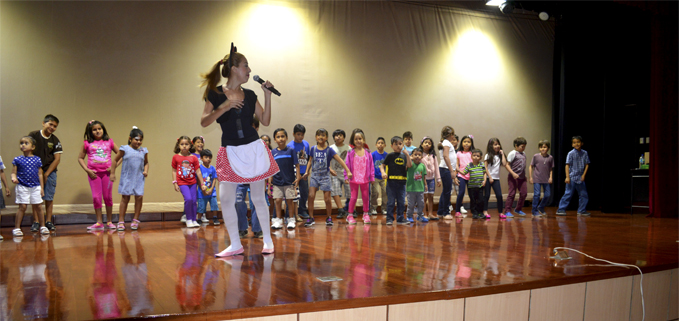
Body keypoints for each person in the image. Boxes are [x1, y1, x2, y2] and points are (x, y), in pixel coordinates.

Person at [200, 46, 279, 256]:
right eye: (245, 66)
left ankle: (268, 241)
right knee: (225, 198)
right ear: (234, 68)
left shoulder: (251, 95)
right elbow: (204, 122)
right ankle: (235, 244)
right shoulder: (215, 94)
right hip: (230, 150)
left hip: (253, 149)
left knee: (258, 197)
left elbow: (265, 120)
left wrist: (268, 96)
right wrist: (225, 106)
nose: (249, 69)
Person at [304, 128, 351, 227]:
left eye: (323, 135)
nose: (321, 137)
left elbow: (340, 160)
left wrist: (348, 170)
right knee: (311, 196)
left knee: (327, 199)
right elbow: (310, 161)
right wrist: (307, 171)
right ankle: (311, 217)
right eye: (319, 135)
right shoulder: (313, 149)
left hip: (325, 176)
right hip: (315, 176)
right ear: (316, 137)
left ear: (326, 137)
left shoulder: (329, 150)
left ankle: (329, 217)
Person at [78, 120, 119, 230]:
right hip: (94, 175)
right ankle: (99, 222)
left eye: (99, 129)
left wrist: (113, 167)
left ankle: (109, 221)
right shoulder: (87, 143)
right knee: (96, 197)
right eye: (94, 130)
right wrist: (87, 170)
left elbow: (120, 155)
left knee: (107, 197)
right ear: (90, 132)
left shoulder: (109, 142)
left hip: (107, 174)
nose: (97, 131)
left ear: (103, 130)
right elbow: (80, 158)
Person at [110, 126, 148, 230]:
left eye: (140, 140)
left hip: (139, 178)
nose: (138, 142)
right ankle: (121, 221)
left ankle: (135, 220)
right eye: (136, 139)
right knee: (125, 198)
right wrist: (112, 173)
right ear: (130, 138)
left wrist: (145, 170)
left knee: (139, 197)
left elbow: (146, 163)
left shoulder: (143, 151)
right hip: (127, 178)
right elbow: (115, 160)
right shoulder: (124, 149)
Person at [28, 114, 62, 232]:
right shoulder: (33, 136)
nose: (52, 127)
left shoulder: (55, 140)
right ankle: (36, 221)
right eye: (50, 124)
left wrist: (47, 173)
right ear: (44, 123)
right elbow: (28, 151)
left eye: (55, 126)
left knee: (49, 196)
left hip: (50, 171)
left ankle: (48, 221)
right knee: (36, 197)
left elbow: (57, 159)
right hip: (35, 171)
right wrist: (38, 171)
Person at [11, 136, 48, 236]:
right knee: (22, 206)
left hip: (35, 187)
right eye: (21, 143)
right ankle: (17, 228)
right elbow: (13, 172)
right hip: (22, 186)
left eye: (26, 143)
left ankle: (43, 226)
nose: (23, 145)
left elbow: (40, 174)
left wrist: (41, 188)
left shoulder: (37, 159)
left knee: (38, 206)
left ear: (33, 147)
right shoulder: (17, 159)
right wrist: (14, 178)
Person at [172, 136, 206, 228]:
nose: (184, 146)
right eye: (182, 144)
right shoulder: (176, 157)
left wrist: (202, 183)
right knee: (188, 199)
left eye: (186, 144)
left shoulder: (193, 158)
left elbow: (198, 171)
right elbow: (174, 170)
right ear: (178, 145)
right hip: (182, 183)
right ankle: (189, 219)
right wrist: (175, 183)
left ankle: (194, 220)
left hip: (193, 182)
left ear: (190, 145)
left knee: (194, 201)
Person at [270, 128, 300, 229]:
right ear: (275, 140)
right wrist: (270, 179)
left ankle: (291, 220)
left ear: (286, 138)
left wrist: (298, 177)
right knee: (277, 201)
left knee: (289, 201)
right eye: (278, 137)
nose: (281, 139)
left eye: (282, 136)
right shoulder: (273, 152)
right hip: (277, 182)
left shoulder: (291, 150)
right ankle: (278, 220)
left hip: (289, 181)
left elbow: (297, 165)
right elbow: (271, 167)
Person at [380, 136, 412, 225]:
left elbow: (409, 166)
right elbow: (382, 165)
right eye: (396, 144)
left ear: (403, 145)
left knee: (401, 201)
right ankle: (389, 218)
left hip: (402, 183)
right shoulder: (389, 155)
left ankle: (400, 218)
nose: (398, 146)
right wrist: (383, 173)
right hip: (391, 182)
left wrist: (407, 155)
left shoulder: (404, 156)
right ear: (391, 146)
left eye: (400, 144)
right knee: (390, 201)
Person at [556, 136, 590, 216]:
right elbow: (567, 165)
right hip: (572, 177)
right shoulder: (570, 153)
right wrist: (567, 177)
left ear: (582, 143)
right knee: (568, 193)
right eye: (574, 142)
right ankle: (561, 209)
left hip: (580, 178)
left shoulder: (585, 153)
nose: (576, 144)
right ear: (572, 144)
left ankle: (581, 210)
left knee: (583, 194)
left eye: (578, 142)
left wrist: (584, 175)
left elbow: (587, 164)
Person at [343, 129, 371, 225]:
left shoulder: (367, 152)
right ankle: (350, 215)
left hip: (365, 179)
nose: (358, 141)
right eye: (356, 139)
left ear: (363, 140)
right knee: (353, 197)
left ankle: (366, 213)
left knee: (365, 197)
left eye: (360, 138)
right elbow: (347, 164)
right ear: (353, 141)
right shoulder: (350, 152)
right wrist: (346, 176)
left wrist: (371, 177)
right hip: (354, 179)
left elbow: (371, 166)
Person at [288, 124, 311, 220]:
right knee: (294, 193)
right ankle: (293, 212)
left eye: (302, 135)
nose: (300, 137)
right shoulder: (290, 146)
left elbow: (309, 158)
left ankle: (302, 210)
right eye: (298, 134)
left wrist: (307, 171)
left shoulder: (306, 144)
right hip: (294, 173)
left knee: (304, 192)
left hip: (304, 173)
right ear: (293, 134)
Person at [459, 149, 487, 219]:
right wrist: (458, 170)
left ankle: (480, 212)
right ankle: (474, 213)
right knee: (473, 200)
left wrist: (485, 181)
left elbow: (484, 173)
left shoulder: (482, 164)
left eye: (478, 156)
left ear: (480, 157)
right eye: (474, 155)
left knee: (481, 200)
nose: (475, 157)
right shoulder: (469, 165)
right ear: (471, 157)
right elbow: (464, 173)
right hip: (471, 187)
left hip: (480, 186)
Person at [504, 137, 528, 217]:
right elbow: (507, 165)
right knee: (512, 193)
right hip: (513, 177)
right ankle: (507, 210)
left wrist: (525, 175)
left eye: (524, 146)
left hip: (522, 178)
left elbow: (523, 166)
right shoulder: (513, 153)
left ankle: (518, 209)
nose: (523, 148)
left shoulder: (524, 153)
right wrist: (513, 173)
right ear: (516, 146)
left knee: (524, 193)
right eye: (522, 146)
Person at [330, 129, 351, 219]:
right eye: (336, 135)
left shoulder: (348, 148)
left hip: (346, 173)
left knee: (350, 192)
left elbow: (352, 160)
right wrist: (330, 169)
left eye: (340, 135)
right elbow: (326, 161)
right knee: (335, 192)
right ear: (334, 137)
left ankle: (351, 210)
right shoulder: (331, 148)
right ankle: (340, 210)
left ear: (344, 137)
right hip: (335, 173)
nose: (338, 137)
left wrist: (350, 172)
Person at [483, 138, 507, 219]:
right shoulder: (488, 155)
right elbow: (485, 167)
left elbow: (504, 164)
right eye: (495, 144)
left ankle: (500, 212)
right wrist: (489, 177)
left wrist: (503, 154)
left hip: (496, 178)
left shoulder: (500, 155)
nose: (497, 146)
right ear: (491, 146)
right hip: (488, 177)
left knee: (499, 196)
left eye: (498, 144)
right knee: (487, 195)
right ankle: (485, 211)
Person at [437, 126, 457, 220]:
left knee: (445, 191)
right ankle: (445, 212)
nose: (453, 136)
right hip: (445, 169)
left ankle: (440, 211)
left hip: (445, 169)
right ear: (449, 135)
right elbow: (446, 156)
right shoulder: (446, 143)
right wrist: (451, 170)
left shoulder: (446, 142)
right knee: (447, 191)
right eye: (452, 134)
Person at [530, 140, 554, 217]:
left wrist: (551, 177)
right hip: (537, 178)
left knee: (547, 194)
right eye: (541, 147)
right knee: (537, 194)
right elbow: (531, 166)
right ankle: (534, 210)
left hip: (546, 179)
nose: (543, 149)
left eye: (544, 147)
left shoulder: (550, 157)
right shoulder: (536, 156)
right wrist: (531, 177)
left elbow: (551, 168)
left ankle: (541, 207)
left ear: (548, 148)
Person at [419, 137, 441, 220]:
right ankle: (424, 214)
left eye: (429, 143)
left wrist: (438, 179)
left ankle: (431, 213)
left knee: (431, 196)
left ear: (431, 145)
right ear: (422, 144)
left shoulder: (433, 156)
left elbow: (436, 168)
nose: (427, 144)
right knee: (424, 197)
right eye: (425, 142)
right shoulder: (420, 155)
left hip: (431, 179)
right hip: (423, 179)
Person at [197, 149, 220, 228]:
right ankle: (199, 219)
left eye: (210, 157)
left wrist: (211, 189)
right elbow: (198, 180)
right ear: (201, 158)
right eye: (206, 157)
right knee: (201, 206)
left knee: (214, 205)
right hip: (202, 192)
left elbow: (214, 179)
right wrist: (203, 190)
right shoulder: (199, 168)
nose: (208, 159)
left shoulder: (213, 168)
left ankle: (215, 218)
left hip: (212, 192)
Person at [455, 135, 475, 218]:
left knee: (472, 194)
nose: (466, 143)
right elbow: (456, 165)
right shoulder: (459, 153)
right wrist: (457, 175)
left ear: (471, 143)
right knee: (461, 193)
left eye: (468, 142)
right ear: (462, 143)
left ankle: (474, 211)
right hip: (461, 176)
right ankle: (457, 211)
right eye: (465, 141)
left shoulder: (472, 153)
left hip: (471, 176)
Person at [406, 148, 428, 223]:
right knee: (411, 204)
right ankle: (409, 216)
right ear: (412, 155)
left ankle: (420, 216)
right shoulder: (410, 164)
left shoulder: (422, 166)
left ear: (422, 157)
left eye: (419, 155)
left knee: (421, 203)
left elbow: (423, 177)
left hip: (420, 189)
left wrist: (425, 185)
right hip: (411, 189)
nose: (417, 156)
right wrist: (409, 158)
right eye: (415, 154)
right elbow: (405, 167)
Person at [370, 137, 388, 216]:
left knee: (385, 192)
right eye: (379, 143)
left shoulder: (386, 155)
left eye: (382, 143)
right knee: (375, 192)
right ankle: (373, 208)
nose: (380, 144)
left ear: (385, 145)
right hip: (375, 177)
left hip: (384, 178)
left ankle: (384, 209)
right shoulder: (373, 154)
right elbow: (370, 165)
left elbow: (388, 166)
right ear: (376, 145)